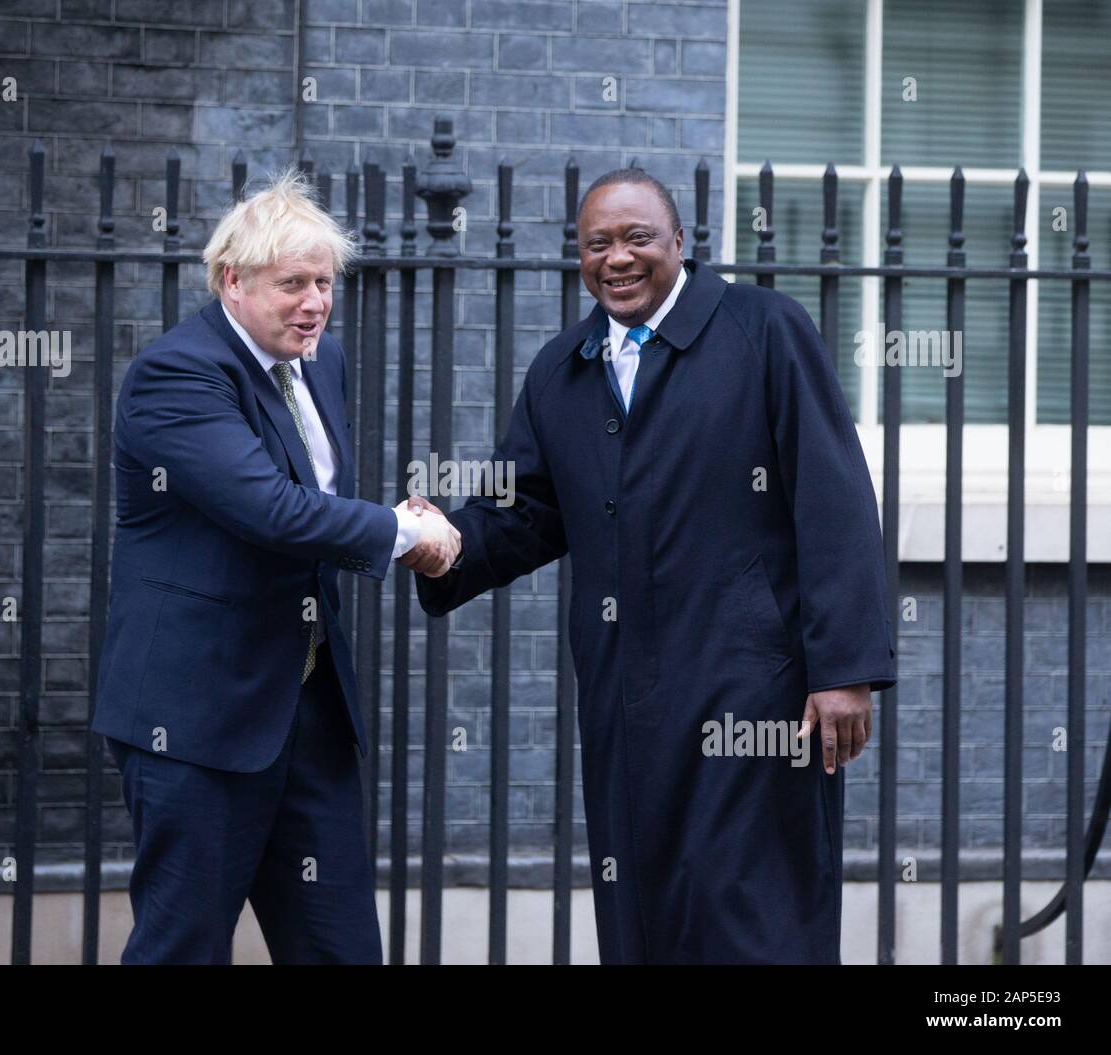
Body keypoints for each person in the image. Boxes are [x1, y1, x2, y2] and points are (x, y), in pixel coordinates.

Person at [412, 168, 896, 964]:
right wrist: (447, 547)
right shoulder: (562, 370)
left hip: (756, 694)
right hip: (624, 699)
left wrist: (844, 668)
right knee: (642, 912)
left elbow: (835, 498)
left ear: (680, 242)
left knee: (751, 913)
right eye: (597, 243)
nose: (618, 258)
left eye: (638, 237)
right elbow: (525, 510)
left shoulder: (765, 330)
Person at [91, 167, 458, 964]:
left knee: (342, 949)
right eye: (294, 283)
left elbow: (314, 506)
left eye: (324, 283)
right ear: (233, 279)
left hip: (308, 713)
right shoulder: (176, 376)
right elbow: (270, 509)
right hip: (196, 720)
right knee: (181, 948)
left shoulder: (317, 362)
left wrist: (388, 526)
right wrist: (401, 530)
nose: (316, 302)